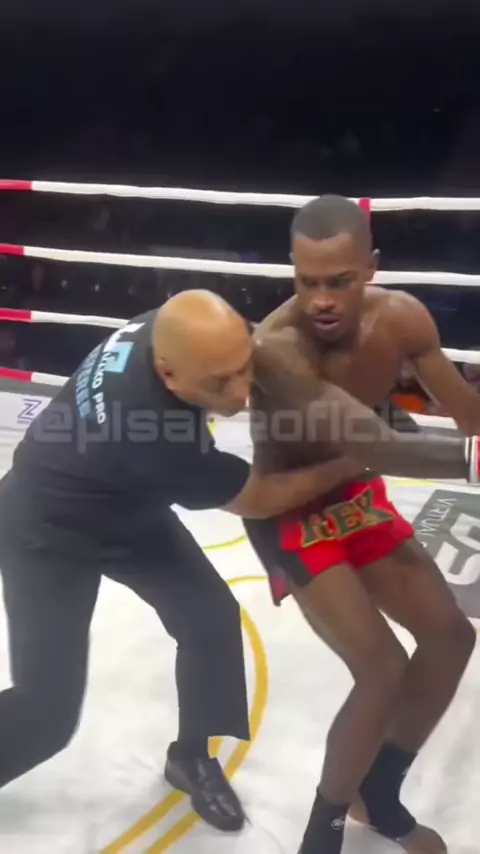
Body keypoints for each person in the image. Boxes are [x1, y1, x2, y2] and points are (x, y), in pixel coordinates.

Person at [0, 290, 373, 833]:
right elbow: (260, 497)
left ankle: (192, 756)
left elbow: (257, 345)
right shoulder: (152, 432)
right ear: (168, 373)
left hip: (125, 503)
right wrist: (353, 459)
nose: (240, 394)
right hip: (46, 529)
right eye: (220, 384)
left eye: (242, 370)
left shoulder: (179, 329)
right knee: (47, 712)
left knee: (209, 618)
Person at [246, 195, 480, 854]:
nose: (321, 300)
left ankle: (378, 794)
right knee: (381, 669)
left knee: (451, 638)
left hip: (354, 494)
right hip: (288, 506)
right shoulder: (276, 348)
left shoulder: (402, 319)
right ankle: (320, 835)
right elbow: (378, 444)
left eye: (340, 281)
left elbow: (469, 418)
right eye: (307, 282)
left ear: (371, 268)